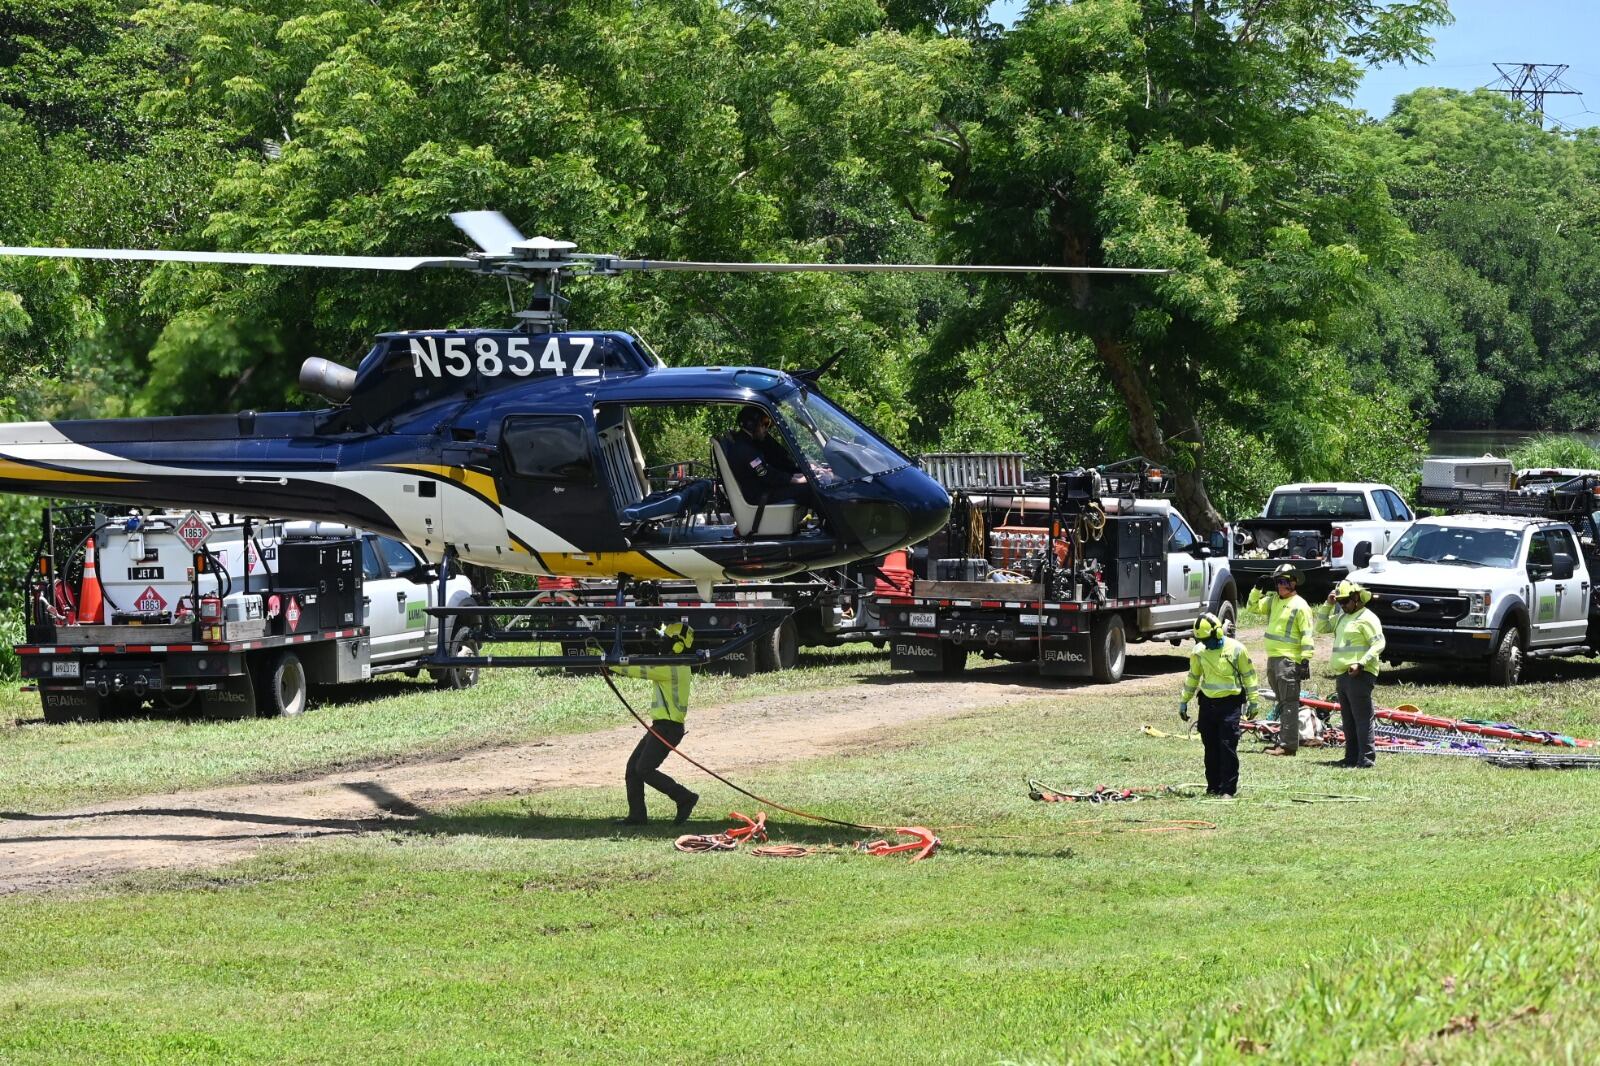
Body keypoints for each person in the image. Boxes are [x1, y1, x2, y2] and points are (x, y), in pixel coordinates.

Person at [609, 622, 700, 826]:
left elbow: (638, 670)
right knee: (633, 768)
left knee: (644, 769)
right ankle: (637, 816)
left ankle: (684, 797)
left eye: (666, 641)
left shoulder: (671, 668)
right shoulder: (677, 665)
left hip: (668, 728)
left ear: (678, 645)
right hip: (661, 726)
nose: (662, 645)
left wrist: (610, 662)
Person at [1178, 612, 1259, 798]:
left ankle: (1228, 790)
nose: (1206, 644)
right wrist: (1184, 700)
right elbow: (1193, 677)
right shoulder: (1199, 651)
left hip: (1230, 705)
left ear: (1218, 633)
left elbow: (1249, 676)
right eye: (1202, 640)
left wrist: (1253, 701)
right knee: (1210, 747)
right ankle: (1213, 786)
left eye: (1208, 640)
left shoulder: (1237, 649)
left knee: (1227, 746)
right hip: (1207, 705)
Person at [1244, 564, 1316, 756]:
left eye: (1284, 581)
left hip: (1289, 661)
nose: (1280, 586)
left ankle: (1287, 746)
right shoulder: (1273, 600)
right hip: (1273, 659)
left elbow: (1307, 635)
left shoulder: (1300, 606)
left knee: (1289, 703)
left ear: (1294, 582)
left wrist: (1304, 660)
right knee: (1283, 703)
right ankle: (1284, 742)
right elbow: (1251, 607)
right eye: (1277, 582)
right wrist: (1257, 589)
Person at [1315, 580, 1386, 769]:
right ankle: (1351, 756)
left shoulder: (1367, 618)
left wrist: (1361, 663)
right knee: (1348, 719)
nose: (1342, 605)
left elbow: (1379, 644)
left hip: (1359, 675)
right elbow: (1321, 627)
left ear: (1356, 598)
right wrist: (1328, 605)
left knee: (1362, 718)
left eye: (1345, 601)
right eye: (1340, 602)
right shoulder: (1342, 617)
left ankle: (1366, 759)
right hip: (1343, 674)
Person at [720, 405, 822, 512]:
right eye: (763, 424)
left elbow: (768, 469)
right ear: (752, 425)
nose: (766, 428)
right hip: (760, 495)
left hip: (762, 490)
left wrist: (794, 475)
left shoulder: (747, 443)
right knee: (811, 490)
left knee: (808, 487)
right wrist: (795, 480)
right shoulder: (746, 449)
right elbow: (766, 475)